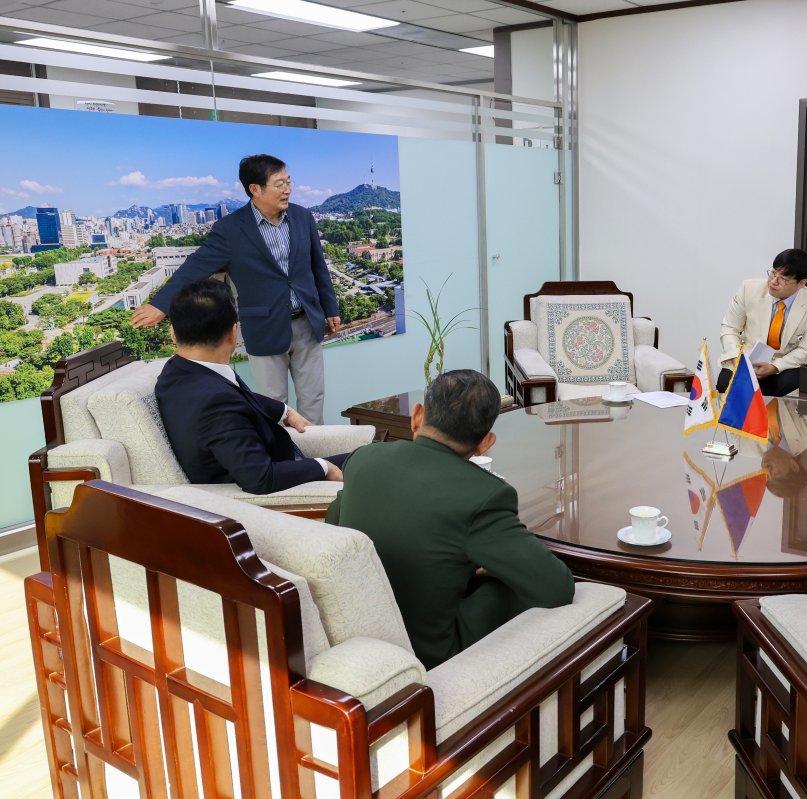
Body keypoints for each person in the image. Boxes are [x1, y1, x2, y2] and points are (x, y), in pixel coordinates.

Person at [326, 369, 575, 669]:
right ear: (486, 442)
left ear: (417, 416)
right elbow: (556, 587)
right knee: (513, 584)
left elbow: (335, 524)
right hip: (429, 653)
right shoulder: (485, 495)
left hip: (358, 633)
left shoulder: (363, 460)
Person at [131, 154, 340, 423]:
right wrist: (161, 305)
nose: (288, 189)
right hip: (265, 327)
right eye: (279, 184)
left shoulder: (302, 217)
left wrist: (330, 308)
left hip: (307, 322)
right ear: (255, 189)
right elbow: (195, 267)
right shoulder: (231, 229)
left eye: (289, 182)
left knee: (314, 400)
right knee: (274, 406)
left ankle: (317, 462)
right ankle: (285, 462)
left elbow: (317, 267)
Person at [154, 279, 348, 495]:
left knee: (376, 457)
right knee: (381, 463)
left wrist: (284, 410)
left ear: (173, 333)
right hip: (278, 492)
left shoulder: (178, 373)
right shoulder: (214, 402)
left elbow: (233, 398)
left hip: (280, 464)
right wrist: (324, 467)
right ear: (233, 333)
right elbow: (261, 479)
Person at [718, 248, 807, 396]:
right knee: (725, 383)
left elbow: (806, 350)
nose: (773, 282)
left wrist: (775, 367)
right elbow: (730, 328)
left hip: (783, 363)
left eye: (783, 279)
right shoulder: (749, 288)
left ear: (802, 283)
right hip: (745, 358)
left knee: (790, 384)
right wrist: (735, 357)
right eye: (773, 273)